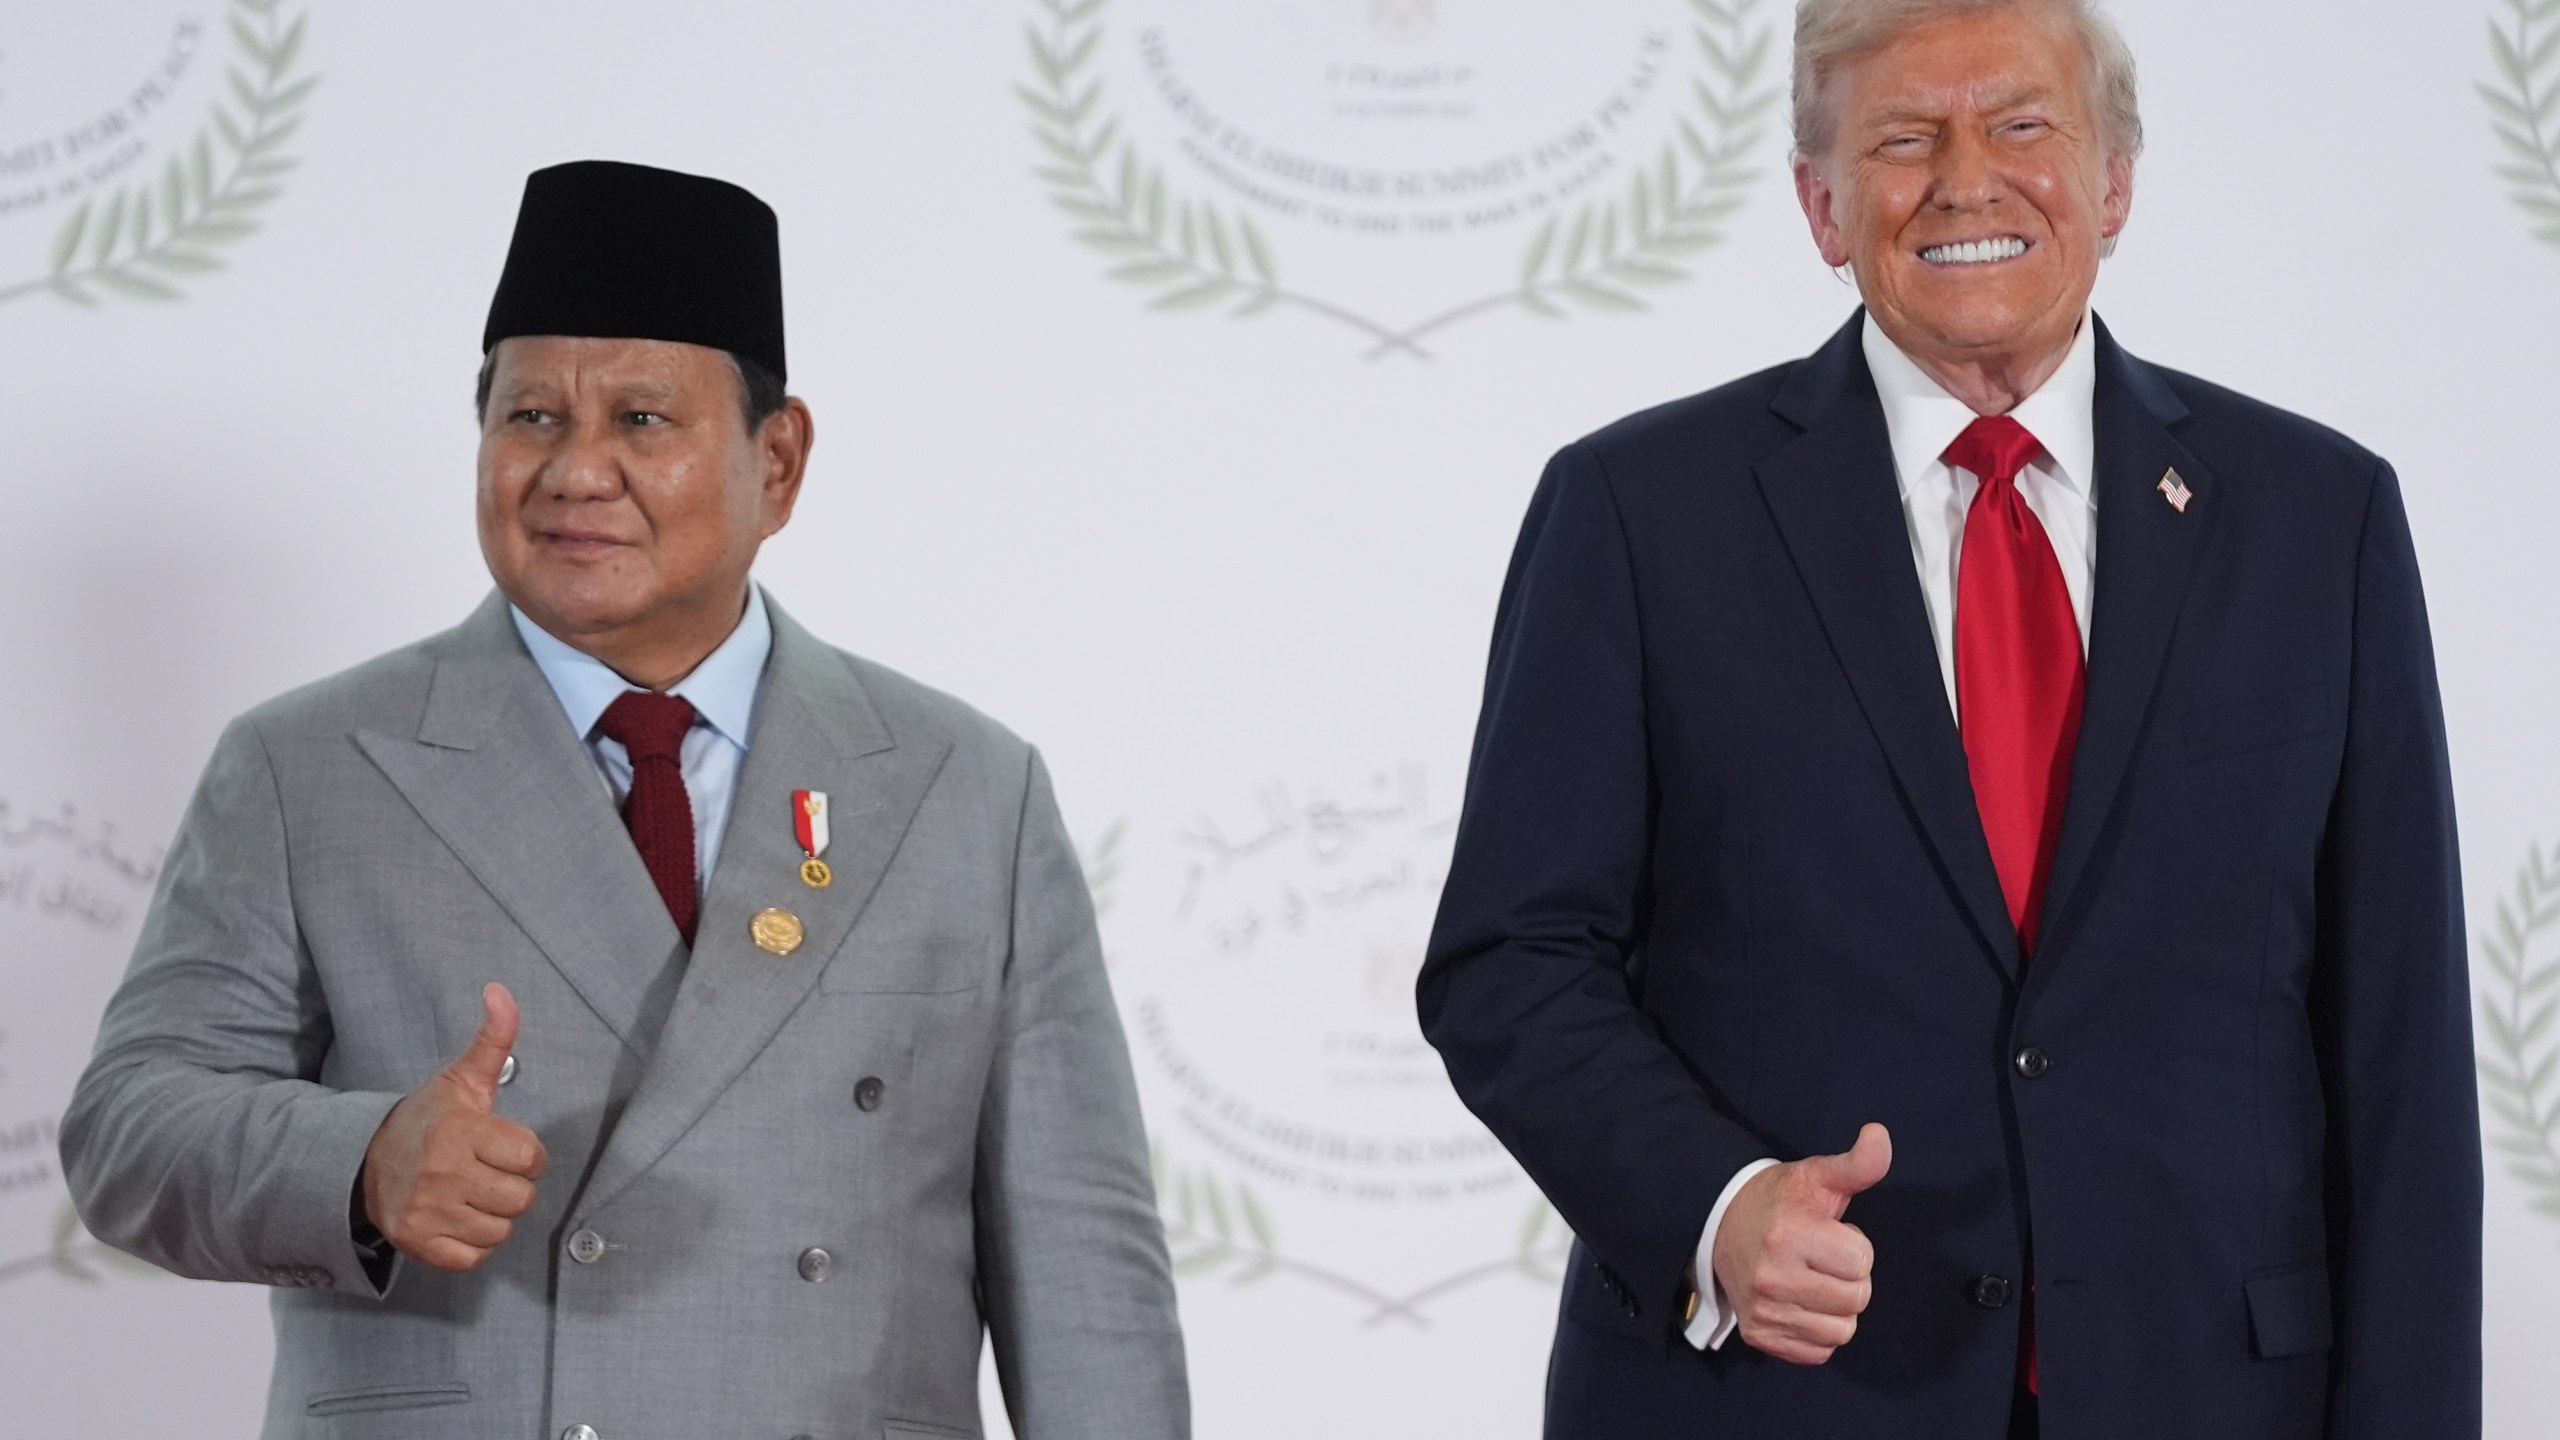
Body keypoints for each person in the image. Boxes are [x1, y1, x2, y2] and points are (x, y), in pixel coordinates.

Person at [1416, 2, 2479, 1436]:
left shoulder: (2318, 519)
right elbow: (1513, 961)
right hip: (1775, 1399)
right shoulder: (1638, 513)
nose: (1967, 179)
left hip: (2212, 1394)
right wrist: (1716, 1210)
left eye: (2024, 124)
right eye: (1903, 139)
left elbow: (2399, 1051)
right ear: (1821, 204)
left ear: (2114, 182)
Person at [61, 159, 1188, 1440]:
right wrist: (363, 1163)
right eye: (531, 417)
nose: (574, 472)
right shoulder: (310, 763)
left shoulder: (962, 787)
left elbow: (1084, 1264)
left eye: (641, 421)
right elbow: (129, 1131)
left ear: (780, 460)